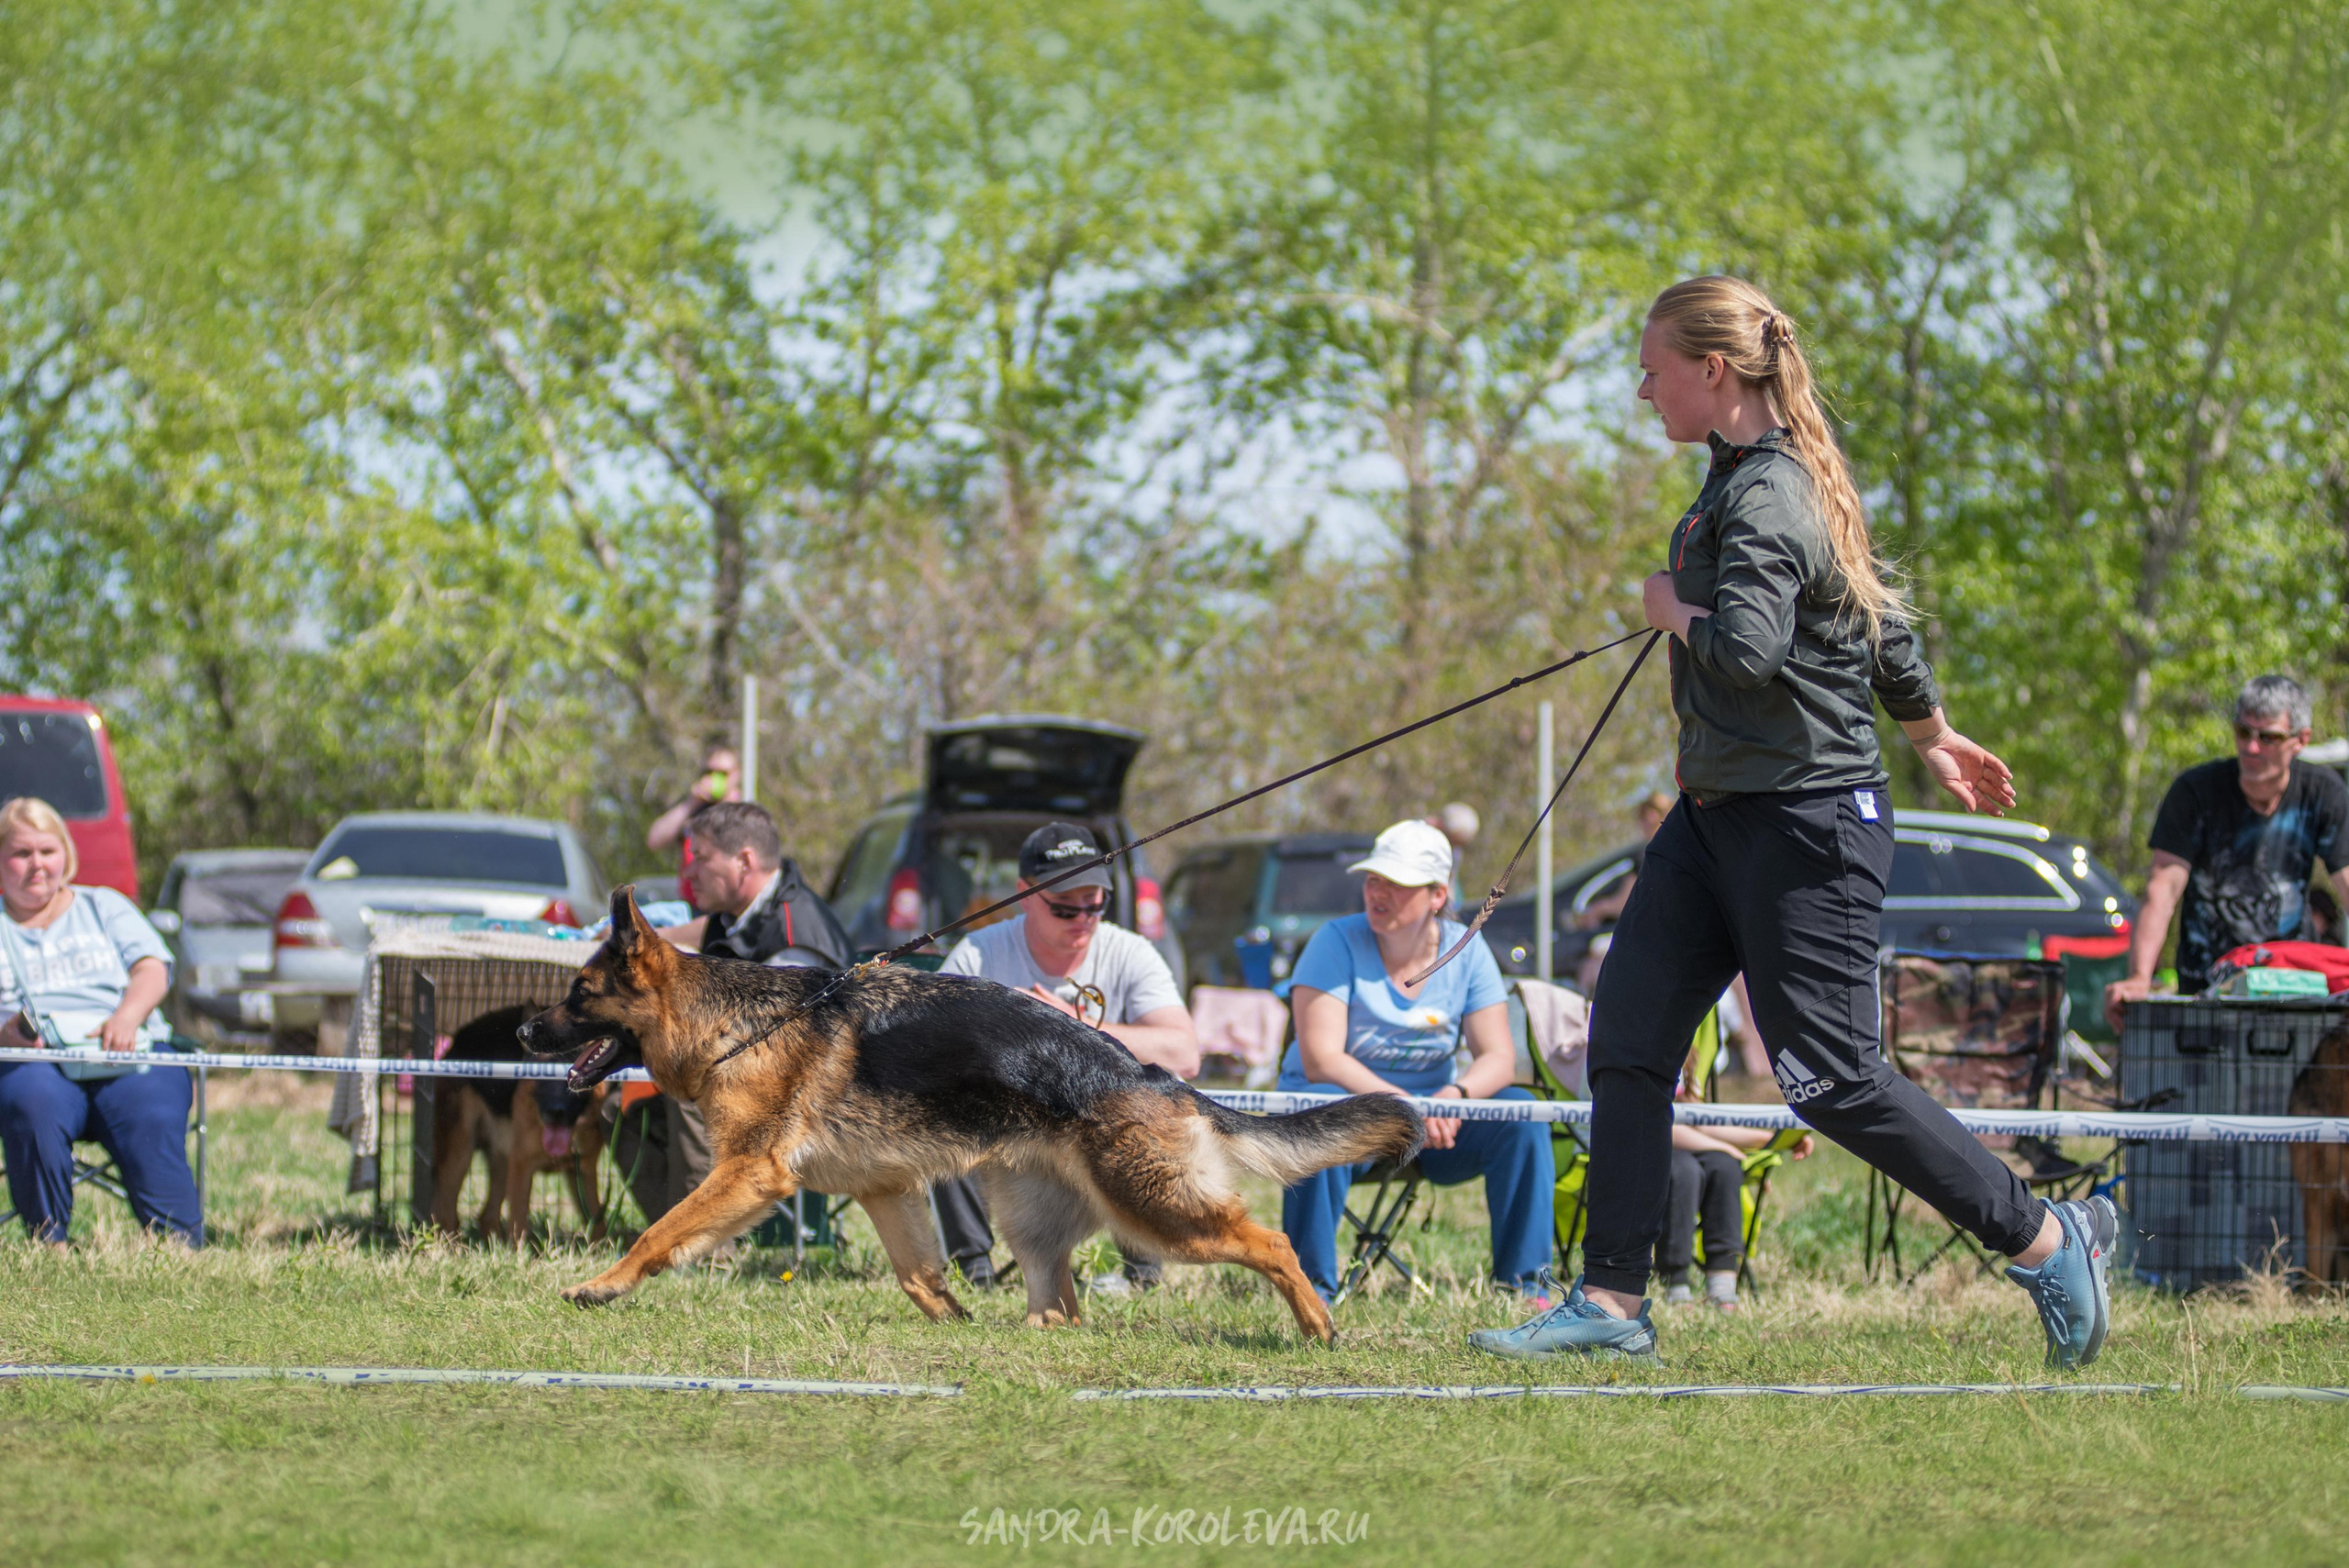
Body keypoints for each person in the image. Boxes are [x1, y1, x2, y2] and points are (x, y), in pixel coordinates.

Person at [1472, 275, 2115, 1370]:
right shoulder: (1756, 477)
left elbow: (1746, 651)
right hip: (1717, 816)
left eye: (1653, 366)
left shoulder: (1770, 494)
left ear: (1711, 370)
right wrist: (1931, 733)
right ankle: (1611, 1301)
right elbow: (1879, 625)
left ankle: (2045, 1233)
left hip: (1804, 823)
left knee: (1830, 1079)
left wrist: (1667, 608)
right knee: (1626, 1043)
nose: (1641, 388)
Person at [1278, 819, 1554, 1305]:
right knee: (1317, 1108)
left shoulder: (1467, 950)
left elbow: (1499, 1058)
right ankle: (1310, 1291)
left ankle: (1524, 1288)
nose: (1378, 892)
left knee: (1520, 1113)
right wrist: (1408, 1106)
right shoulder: (1332, 941)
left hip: (1433, 1123)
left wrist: (1455, 1096)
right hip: (1350, 1117)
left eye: (1397, 883)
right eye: (1373, 878)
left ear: (1436, 895)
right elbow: (1321, 1060)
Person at [934, 822, 1197, 1292]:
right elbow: (936, 1052)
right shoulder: (978, 953)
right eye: (1064, 907)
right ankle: (974, 1271)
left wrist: (1073, 1028)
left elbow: (1184, 1052)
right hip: (1003, 1129)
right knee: (935, 1114)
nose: (1083, 918)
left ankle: (1143, 1272)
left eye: (1095, 904)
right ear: (1024, 894)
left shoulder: (1131, 952)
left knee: (1146, 1107)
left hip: (1096, 1129)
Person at [612, 801, 851, 1228]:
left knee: (691, 1082)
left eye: (700, 858)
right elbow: (696, 933)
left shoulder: (795, 935)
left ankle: (701, 1244)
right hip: (760, 1081)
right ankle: (678, 1230)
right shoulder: (738, 912)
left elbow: (783, 1048)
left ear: (744, 861)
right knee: (621, 1108)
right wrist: (625, 939)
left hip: (818, 1101)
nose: (688, 873)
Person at [0, 796, 202, 1248]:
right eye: (21, 853)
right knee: (32, 1102)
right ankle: (48, 1242)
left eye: (47, 851)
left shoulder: (103, 905)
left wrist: (127, 1017)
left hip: (125, 1051)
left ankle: (177, 1246)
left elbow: (153, 968)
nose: (37, 865)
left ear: (66, 855)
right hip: (30, 1062)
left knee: (149, 1106)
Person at [2102, 676, 2349, 1029]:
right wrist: (2140, 976)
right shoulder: (2195, 792)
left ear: (2300, 740)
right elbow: (2162, 888)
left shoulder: (2323, 793)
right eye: (2243, 732)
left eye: (2268, 737)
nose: (2251, 747)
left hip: (2294, 991)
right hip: (2207, 991)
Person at [1659, 1066, 1812, 1311]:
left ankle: (1722, 1281)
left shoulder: (1687, 1057)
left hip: (1684, 1143)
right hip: (1635, 1148)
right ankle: (1675, 1281)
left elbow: (1698, 1121)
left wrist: (1771, 1138)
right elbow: (1657, 1124)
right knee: (1685, 1172)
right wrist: (1726, 1147)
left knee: (1725, 1167)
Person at [1572, 791, 1674, 995]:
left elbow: (1624, 904)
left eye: (1653, 814)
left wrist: (1596, 910)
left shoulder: (1647, 854)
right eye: (1644, 815)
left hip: (1648, 940)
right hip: (1668, 938)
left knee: (1591, 964)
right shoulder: (1677, 851)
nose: (1647, 821)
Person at [644, 744, 741, 905]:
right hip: (692, 905)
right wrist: (691, 803)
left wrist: (729, 802)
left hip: (727, 906)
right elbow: (654, 840)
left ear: (736, 775)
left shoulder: (744, 810)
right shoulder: (693, 809)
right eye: (709, 772)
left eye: (722, 774)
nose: (714, 777)